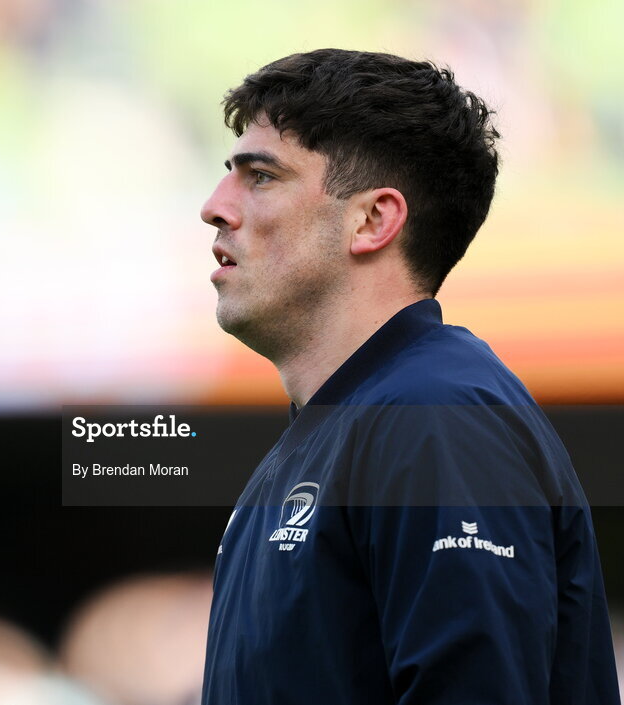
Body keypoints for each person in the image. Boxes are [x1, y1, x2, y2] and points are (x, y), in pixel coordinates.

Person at [199, 49, 620, 705]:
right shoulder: (331, 437)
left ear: (373, 220)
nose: (215, 207)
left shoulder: (435, 415)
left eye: (261, 176)